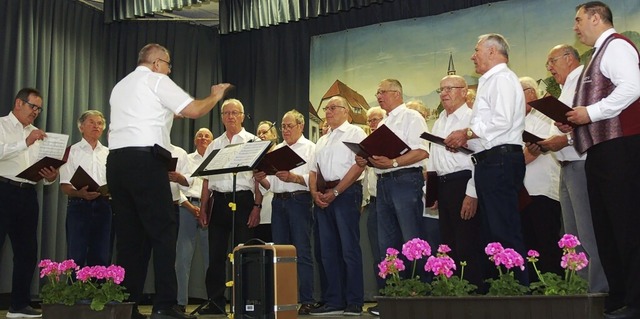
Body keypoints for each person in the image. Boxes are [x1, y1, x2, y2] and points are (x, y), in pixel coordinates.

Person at [107, 43, 231, 319]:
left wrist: (166, 113)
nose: (169, 69)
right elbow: (195, 110)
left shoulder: (121, 86)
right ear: (156, 63)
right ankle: (165, 305)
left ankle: (128, 306)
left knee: (129, 239)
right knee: (164, 231)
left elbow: (145, 116)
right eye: (168, 64)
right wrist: (215, 95)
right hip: (145, 162)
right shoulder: (156, 79)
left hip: (117, 164)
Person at [564, 2, 640, 317]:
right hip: (601, 150)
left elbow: (633, 87)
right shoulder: (597, 54)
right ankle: (619, 295)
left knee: (626, 225)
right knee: (606, 228)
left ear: (597, 18)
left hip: (620, 148)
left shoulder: (617, 46)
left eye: (579, 19)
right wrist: (574, 118)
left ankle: (634, 301)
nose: (575, 26)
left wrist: (590, 113)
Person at [444, 33, 528, 285]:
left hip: (499, 161)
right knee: (492, 233)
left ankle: (517, 293)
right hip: (490, 161)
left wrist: (466, 133)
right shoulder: (490, 81)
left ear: (492, 51)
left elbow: (501, 122)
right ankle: (502, 290)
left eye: (476, 49)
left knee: (504, 231)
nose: (472, 56)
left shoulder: (501, 78)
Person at [537, 44, 608, 293]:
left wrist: (564, 140)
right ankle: (578, 287)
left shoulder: (584, 81)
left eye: (552, 60)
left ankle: (596, 290)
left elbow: (594, 121)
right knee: (571, 236)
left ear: (569, 58)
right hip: (566, 166)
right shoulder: (566, 86)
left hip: (581, 162)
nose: (549, 67)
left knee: (587, 233)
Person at [359, 79, 429, 285]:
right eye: (377, 92)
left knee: (411, 239)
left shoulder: (411, 117)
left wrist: (393, 162)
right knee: (387, 242)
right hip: (384, 184)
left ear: (397, 93)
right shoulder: (383, 123)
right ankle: (393, 292)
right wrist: (366, 158)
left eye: (382, 92)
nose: (378, 96)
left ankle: (418, 293)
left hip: (405, 181)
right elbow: (382, 158)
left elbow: (422, 151)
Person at [197, 99, 261, 315]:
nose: (231, 116)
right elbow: (206, 180)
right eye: (226, 113)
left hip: (243, 200)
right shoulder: (215, 144)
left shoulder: (253, 141)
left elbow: (258, 179)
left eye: (235, 112)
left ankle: (244, 302)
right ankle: (215, 302)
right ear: (222, 117)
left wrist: (257, 206)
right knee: (216, 255)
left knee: (243, 253)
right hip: (218, 201)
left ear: (243, 116)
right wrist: (203, 208)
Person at [0, 88, 59, 318]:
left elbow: (41, 171)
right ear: (18, 103)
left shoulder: (37, 134)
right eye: (32, 106)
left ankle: (18, 305)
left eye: (39, 108)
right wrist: (25, 142)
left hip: (27, 194)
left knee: (27, 252)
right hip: (3, 190)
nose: (36, 112)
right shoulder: (2, 125)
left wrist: (50, 176)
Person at [254, 110, 318, 315]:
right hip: (278, 203)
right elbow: (271, 184)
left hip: (300, 200)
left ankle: (307, 299)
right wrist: (259, 176)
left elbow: (315, 179)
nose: (285, 130)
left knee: (302, 251)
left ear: (301, 126)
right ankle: (282, 298)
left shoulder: (311, 149)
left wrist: (295, 178)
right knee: (279, 252)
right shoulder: (277, 150)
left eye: (290, 126)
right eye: (283, 126)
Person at [309, 96, 366, 316]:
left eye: (333, 108)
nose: (328, 111)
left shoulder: (355, 133)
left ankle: (354, 301)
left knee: (349, 249)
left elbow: (358, 167)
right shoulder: (323, 140)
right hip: (323, 195)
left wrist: (336, 192)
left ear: (346, 111)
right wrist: (315, 193)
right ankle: (333, 300)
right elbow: (314, 170)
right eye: (326, 108)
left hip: (346, 193)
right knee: (327, 250)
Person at [428, 75, 484, 290]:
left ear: (464, 91)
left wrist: (472, 193)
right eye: (441, 89)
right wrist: (431, 193)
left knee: (467, 243)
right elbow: (434, 158)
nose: (444, 93)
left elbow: (479, 158)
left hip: (464, 183)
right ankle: (453, 293)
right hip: (442, 186)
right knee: (448, 243)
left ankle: (473, 294)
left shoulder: (472, 119)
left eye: (450, 88)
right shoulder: (439, 120)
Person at [519, 77, 563, 278]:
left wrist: (512, 165)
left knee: (547, 242)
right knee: (529, 244)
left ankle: (553, 286)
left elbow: (537, 149)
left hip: (542, 190)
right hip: (522, 192)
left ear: (530, 93)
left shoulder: (545, 115)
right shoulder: (518, 119)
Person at [59, 110, 111, 267]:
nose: (96, 126)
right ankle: (76, 291)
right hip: (78, 206)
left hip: (104, 205)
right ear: (81, 127)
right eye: (91, 122)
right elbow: (65, 185)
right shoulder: (71, 151)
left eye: (100, 123)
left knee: (102, 255)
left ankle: (100, 290)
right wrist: (78, 193)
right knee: (76, 255)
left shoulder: (110, 153)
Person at [175, 128, 213, 313]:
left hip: (211, 211)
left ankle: (213, 301)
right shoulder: (186, 159)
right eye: (199, 135)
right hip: (186, 208)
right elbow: (176, 186)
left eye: (207, 136)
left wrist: (205, 208)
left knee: (211, 259)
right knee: (182, 258)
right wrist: (190, 207)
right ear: (194, 140)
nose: (203, 138)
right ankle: (180, 302)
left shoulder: (217, 158)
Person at [361, 106, 386, 317]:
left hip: (388, 200)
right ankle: (382, 297)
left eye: (377, 119)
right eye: (370, 120)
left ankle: (395, 296)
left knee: (389, 250)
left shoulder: (389, 141)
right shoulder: (367, 145)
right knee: (377, 253)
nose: (373, 123)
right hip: (373, 202)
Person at [254, 120, 278, 243]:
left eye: (265, 132)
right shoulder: (255, 156)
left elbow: (270, 185)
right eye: (259, 133)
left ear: (274, 135)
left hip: (276, 212)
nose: (261, 136)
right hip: (259, 213)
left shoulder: (280, 153)